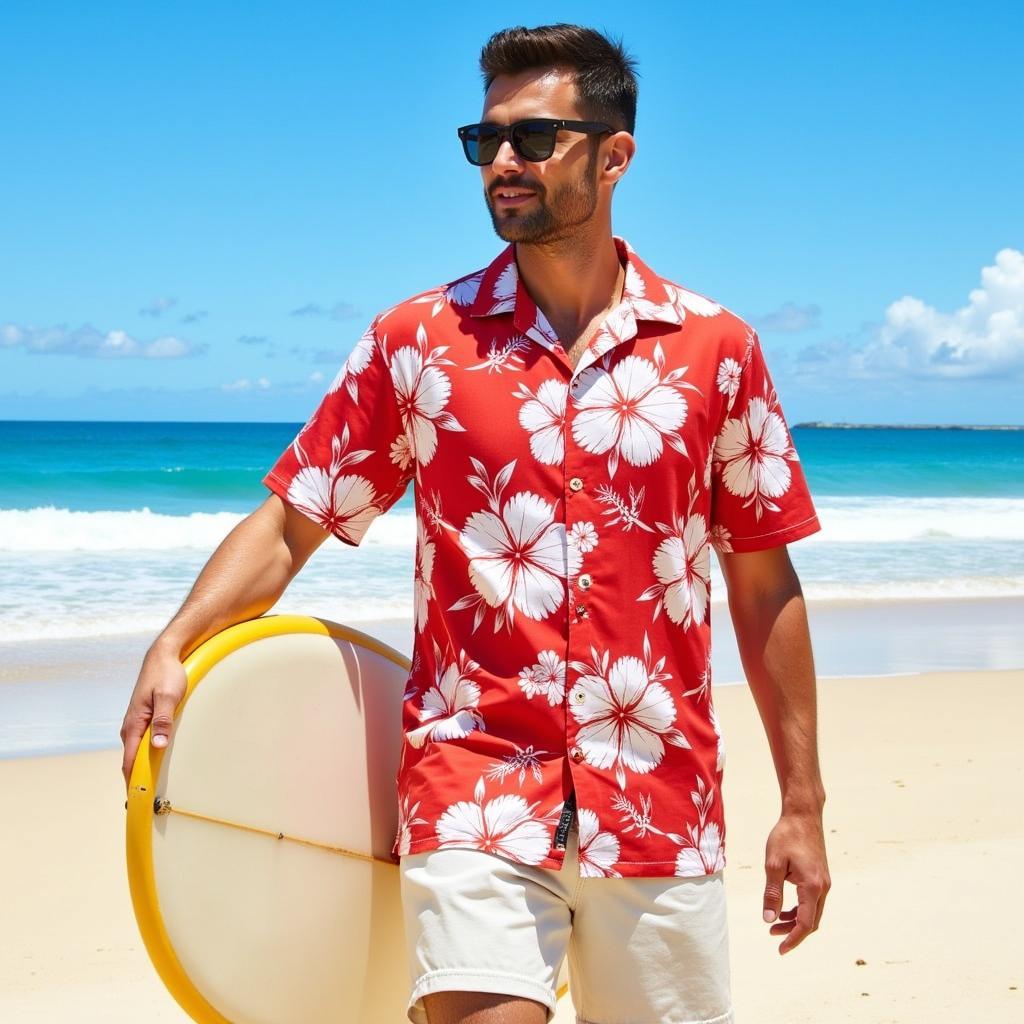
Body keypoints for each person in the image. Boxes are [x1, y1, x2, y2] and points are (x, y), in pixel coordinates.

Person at [121, 21, 831, 1024]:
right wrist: (177, 639)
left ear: (614, 154)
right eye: (483, 139)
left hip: (659, 796)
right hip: (473, 781)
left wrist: (802, 803)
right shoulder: (419, 343)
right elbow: (294, 521)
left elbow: (764, 583)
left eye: (532, 139)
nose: (501, 161)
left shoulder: (716, 350)